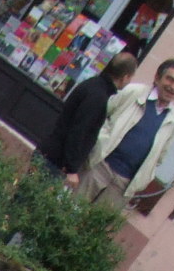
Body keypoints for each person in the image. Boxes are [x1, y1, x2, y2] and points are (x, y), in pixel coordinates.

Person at [75, 59, 174, 211]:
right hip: (99, 166)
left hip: (123, 185)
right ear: (157, 77)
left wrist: (143, 180)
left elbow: (159, 157)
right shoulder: (134, 92)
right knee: (70, 208)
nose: (173, 87)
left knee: (94, 224)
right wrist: (98, 145)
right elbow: (102, 116)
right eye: (170, 79)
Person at [37, 53, 138, 185]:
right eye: (131, 78)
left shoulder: (94, 85)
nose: (129, 82)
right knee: (33, 193)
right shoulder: (99, 96)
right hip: (55, 160)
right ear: (125, 77)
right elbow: (79, 131)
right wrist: (71, 168)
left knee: (29, 191)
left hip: (51, 153)